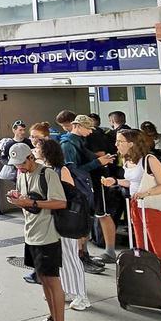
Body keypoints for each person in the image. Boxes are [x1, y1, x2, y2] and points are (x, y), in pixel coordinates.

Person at [102, 129, 161, 306]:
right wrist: (115, 181)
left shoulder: (150, 160)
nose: (116, 144)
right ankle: (152, 285)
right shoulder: (128, 160)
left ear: (131, 143)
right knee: (142, 248)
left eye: (120, 141)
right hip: (137, 206)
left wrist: (146, 193)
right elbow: (132, 183)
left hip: (155, 208)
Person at [6, 142, 71, 321]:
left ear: (31, 158)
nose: (19, 167)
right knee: (42, 278)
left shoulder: (47, 174)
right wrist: (17, 199)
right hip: (31, 234)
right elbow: (25, 199)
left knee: (52, 279)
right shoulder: (21, 174)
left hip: (48, 235)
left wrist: (31, 203)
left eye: (22, 163)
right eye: (16, 164)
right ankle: (52, 319)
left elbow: (61, 202)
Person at [34, 137, 91, 311]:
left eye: (37, 149)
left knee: (71, 257)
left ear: (45, 152)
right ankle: (68, 290)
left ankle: (81, 296)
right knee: (61, 257)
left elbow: (70, 195)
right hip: (53, 219)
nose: (34, 151)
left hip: (65, 220)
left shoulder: (61, 170)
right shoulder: (44, 170)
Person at [64, 114, 118, 265]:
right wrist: (98, 162)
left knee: (90, 218)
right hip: (84, 186)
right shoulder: (69, 144)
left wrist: (99, 161)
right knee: (88, 218)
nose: (90, 132)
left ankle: (85, 254)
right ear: (78, 126)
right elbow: (74, 169)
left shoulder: (77, 141)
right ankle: (82, 255)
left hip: (87, 185)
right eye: (87, 128)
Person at [0, 120, 27, 189]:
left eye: (24, 130)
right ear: (14, 130)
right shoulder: (9, 144)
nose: (23, 132)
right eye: (20, 130)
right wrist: (13, 164)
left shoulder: (28, 142)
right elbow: (3, 158)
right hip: (14, 175)